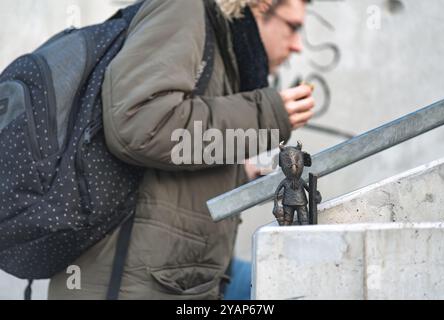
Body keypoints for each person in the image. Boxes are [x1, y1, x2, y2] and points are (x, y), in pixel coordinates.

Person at [48, 0, 313, 300]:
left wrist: (238, 172)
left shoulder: (222, 45)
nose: (298, 46)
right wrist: (267, 116)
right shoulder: (185, 7)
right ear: (260, 4)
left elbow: (173, 160)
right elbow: (140, 125)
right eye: (292, 27)